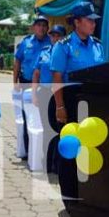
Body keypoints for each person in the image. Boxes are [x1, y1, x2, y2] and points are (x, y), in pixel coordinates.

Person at [50, 2, 105, 208]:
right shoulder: (63, 46)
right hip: (71, 100)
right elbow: (57, 78)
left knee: (92, 148)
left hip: (95, 101)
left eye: (93, 20)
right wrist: (60, 106)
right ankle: (71, 198)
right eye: (89, 20)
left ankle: (91, 193)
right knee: (71, 150)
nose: (93, 24)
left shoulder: (98, 45)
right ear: (77, 22)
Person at [13, 16, 51, 158]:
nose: (41, 28)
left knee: (43, 119)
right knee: (27, 117)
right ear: (33, 27)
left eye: (44, 25)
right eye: (38, 25)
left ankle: (41, 152)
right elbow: (17, 62)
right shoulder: (26, 42)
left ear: (47, 28)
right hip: (26, 83)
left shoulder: (51, 41)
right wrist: (15, 82)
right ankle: (28, 152)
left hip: (43, 86)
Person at [32, 25, 66, 174]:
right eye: (52, 35)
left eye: (58, 35)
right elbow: (36, 73)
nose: (55, 38)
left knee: (61, 129)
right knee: (47, 128)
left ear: (64, 37)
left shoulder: (65, 51)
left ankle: (59, 164)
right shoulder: (44, 52)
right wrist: (33, 93)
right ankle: (47, 162)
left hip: (60, 93)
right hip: (45, 93)